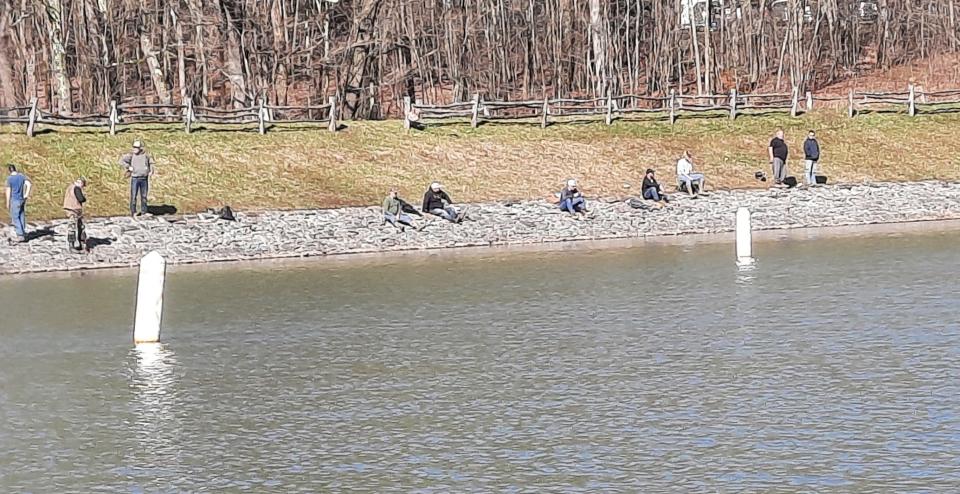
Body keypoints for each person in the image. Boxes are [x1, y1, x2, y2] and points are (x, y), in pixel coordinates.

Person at [119, 139, 155, 216]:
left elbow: (151, 162)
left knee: (144, 196)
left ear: (140, 148)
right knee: (133, 196)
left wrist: (151, 171)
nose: (134, 149)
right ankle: (133, 212)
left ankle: (144, 212)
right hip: (135, 178)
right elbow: (121, 161)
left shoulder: (146, 155)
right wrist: (128, 167)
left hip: (144, 178)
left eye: (136, 147)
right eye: (133, 147)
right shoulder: (131, 155)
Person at [5, 164, 32, 243]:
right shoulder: (21, 176)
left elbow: (8, 191)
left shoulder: (10, 179)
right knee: (21, 215)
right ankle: (23, 231)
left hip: (15, 200)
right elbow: (29, 184)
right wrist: (26, 194)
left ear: (9, 170)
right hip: (22, 199)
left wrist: (7, 202)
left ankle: (20, 234)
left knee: (15, 217)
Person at [63, 177, 88, 252]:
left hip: (69, 209)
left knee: (73, 227)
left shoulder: (70, 187)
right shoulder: (77, 188)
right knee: (76, 227)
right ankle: (76, 245)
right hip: (74, 210)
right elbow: (81, 199)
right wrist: (84, 198)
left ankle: (74, 244)